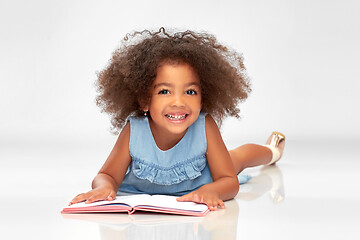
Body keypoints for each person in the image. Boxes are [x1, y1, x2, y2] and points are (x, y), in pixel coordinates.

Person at [69, 28, 285, 211]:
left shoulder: (204, 125)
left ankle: (273, 150)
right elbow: (107, 174)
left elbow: (229, 182)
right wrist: (103, 187)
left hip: (205, 175)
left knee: (238, 158)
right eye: (165, 92)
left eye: (190, 92)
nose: (179, 102)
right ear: (145, 99)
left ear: (204, 96)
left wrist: (210, 190)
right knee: (232, 157)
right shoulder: (134, 130)